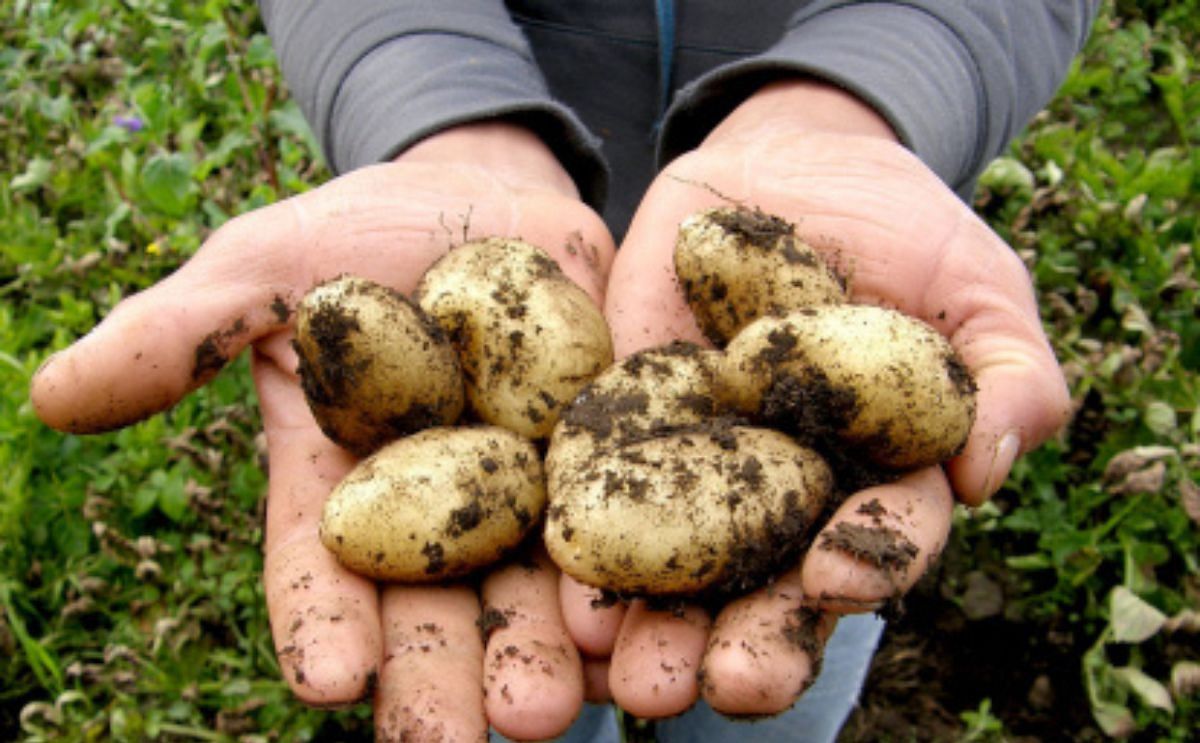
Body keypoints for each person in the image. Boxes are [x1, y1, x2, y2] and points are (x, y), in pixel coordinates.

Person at [31, 1, 1097, 740]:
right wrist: (437, 107)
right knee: (525, 687)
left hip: (833, 193)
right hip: (506, 190)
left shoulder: (762, 368)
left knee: (775, 670)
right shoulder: (534, 417)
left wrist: (867, 92)